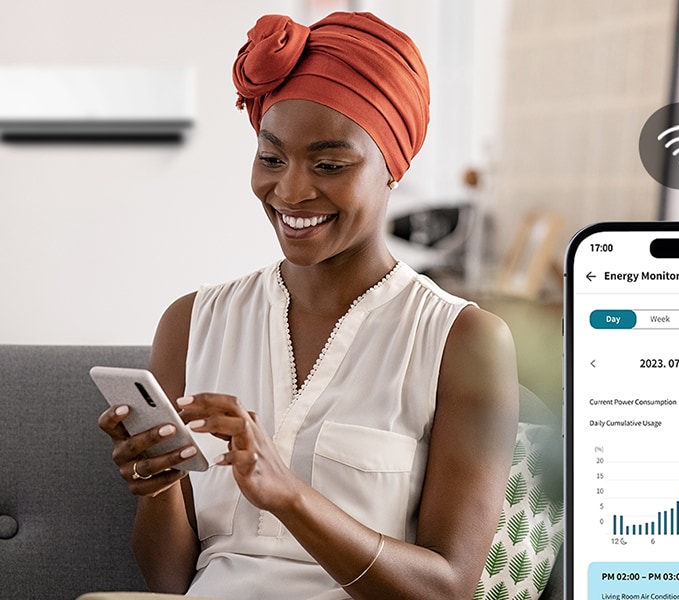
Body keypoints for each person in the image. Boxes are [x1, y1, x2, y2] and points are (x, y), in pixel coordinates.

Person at [96, 12, 519, 600]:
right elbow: (168, 582)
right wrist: (160, 487)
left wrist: (288, 495)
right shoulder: (191, 323)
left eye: (329, 165)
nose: (291, 191)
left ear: (393, 167)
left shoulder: (462, 340)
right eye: (271, 159)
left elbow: (446, 589)